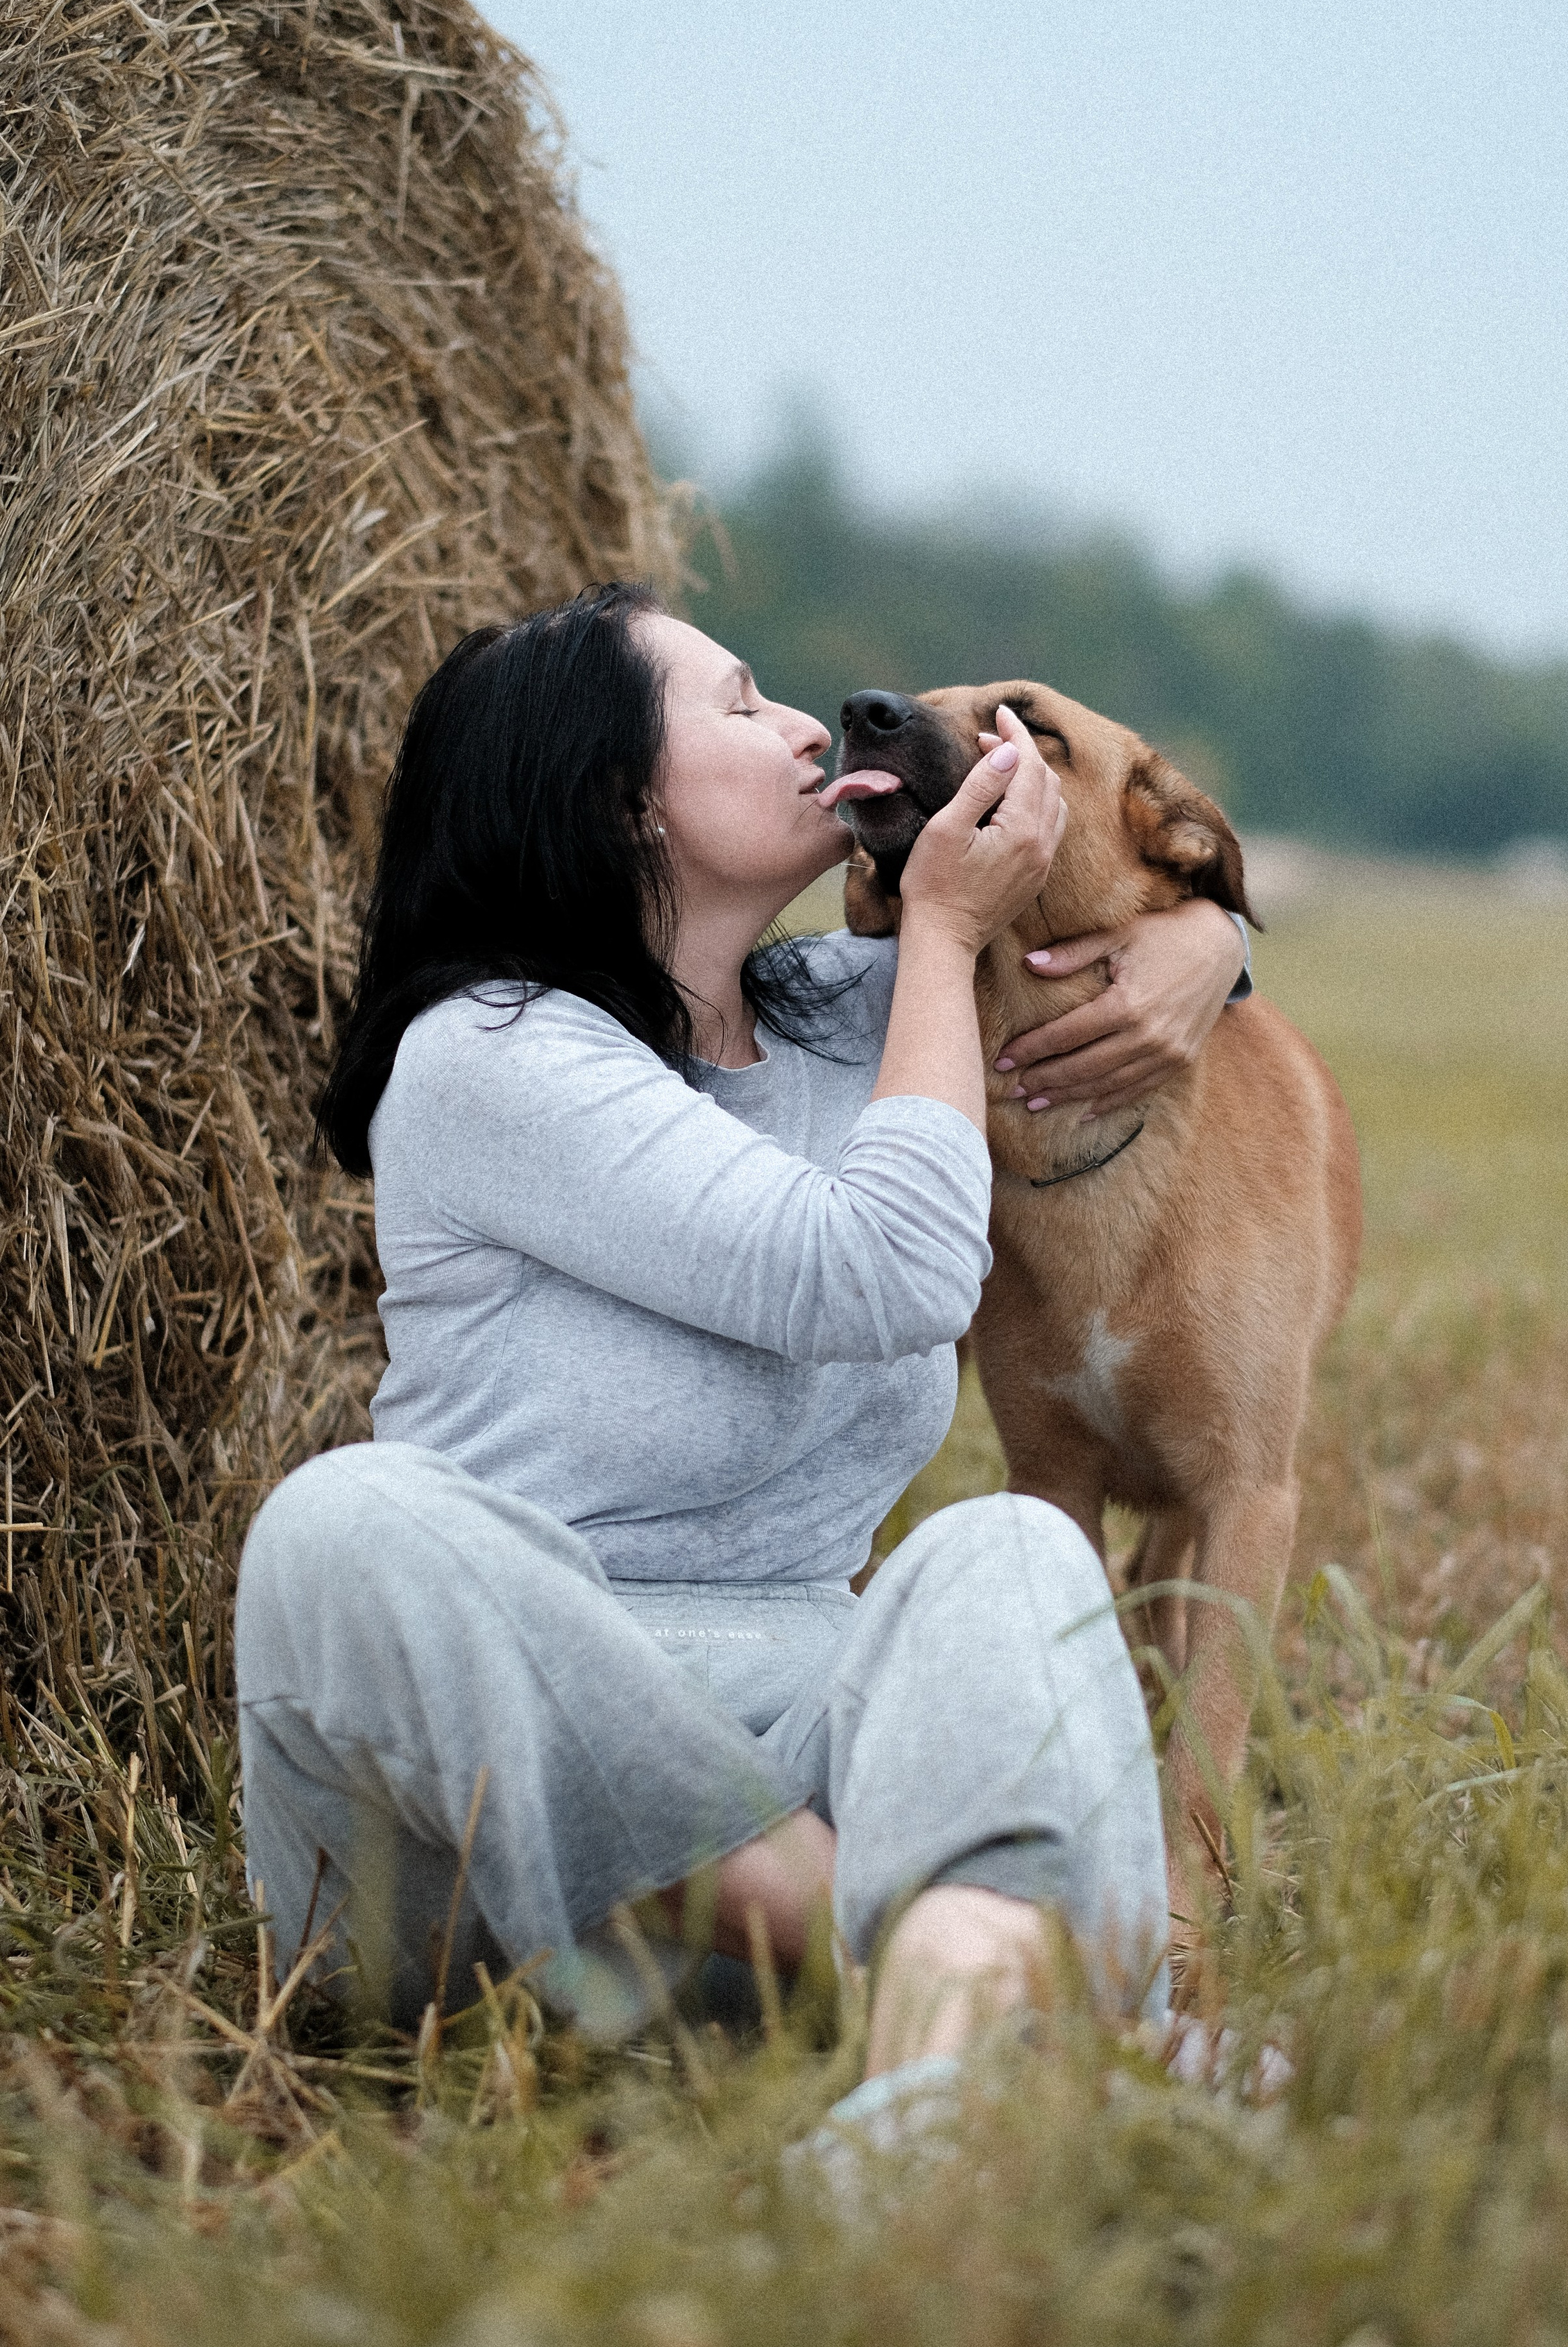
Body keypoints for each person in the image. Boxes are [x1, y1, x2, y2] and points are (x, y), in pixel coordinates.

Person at [235, 584, 1252, 2087]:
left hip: (802, 1740)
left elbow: (1107, 942)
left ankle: (943, 2064)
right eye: (732, 706)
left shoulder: (855, 1016)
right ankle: (974, 1978)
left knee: (1013, 1555)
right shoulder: (488, 1057)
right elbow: (883, 1273)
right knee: (344, 1525)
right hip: (490, 1874)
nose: (804, 725)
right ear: (612, 803)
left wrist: (1212, 941)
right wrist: (943, 929)